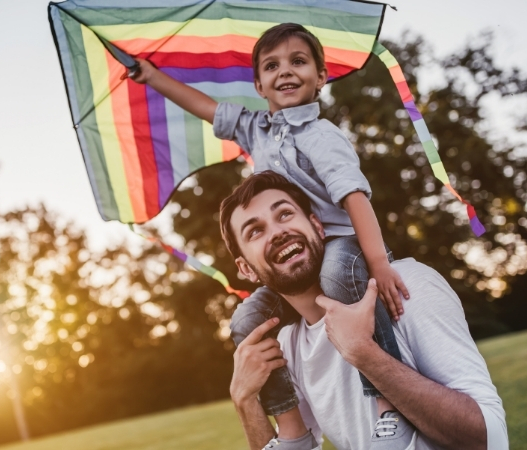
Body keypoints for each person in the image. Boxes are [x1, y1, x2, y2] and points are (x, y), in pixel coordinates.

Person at [130, 23, 412, 445]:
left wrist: (379, 265)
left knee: (336, 276)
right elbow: (205, 107)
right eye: (272, 65)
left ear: (321, 76)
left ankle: (389, 404)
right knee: (246, 320)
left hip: (341, 247)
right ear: (258, 83)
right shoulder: (254, 129)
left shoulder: (322, 137)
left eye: (299, 62)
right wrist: (151, 76)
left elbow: (356, 200)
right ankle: (293, 425)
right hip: (294, 259)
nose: (286, 72)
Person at [219, 171, 508, 450]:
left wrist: (364, 353)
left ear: (318, 227)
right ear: (246, 269)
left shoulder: (405, 286)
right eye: (256, 231)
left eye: (284, 214)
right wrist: (245, 403)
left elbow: (488, 440)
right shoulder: (286, 348)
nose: (278, 232)